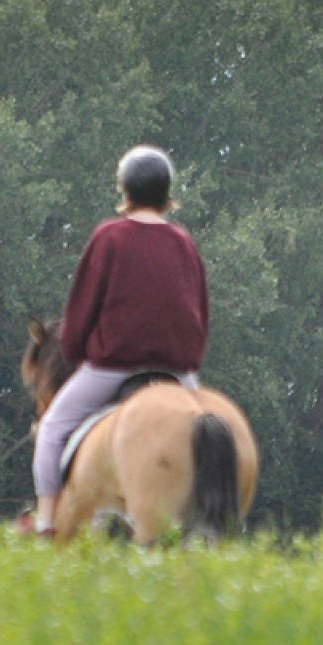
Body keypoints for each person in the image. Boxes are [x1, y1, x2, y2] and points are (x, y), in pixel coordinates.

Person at [26, 146, 209, 535]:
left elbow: (80, 313)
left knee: (53, 428)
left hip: (116, 366)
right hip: (179, 370)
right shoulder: (184, 242)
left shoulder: (109, 237)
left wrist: (76, 352)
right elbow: (201, 313)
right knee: (210, 431)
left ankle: (44, 523)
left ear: (124, 189)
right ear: (167, 193)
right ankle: (212, 527)